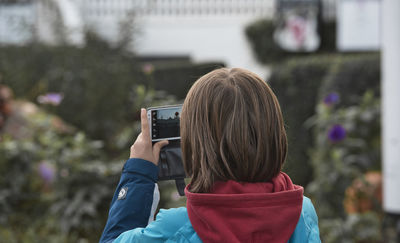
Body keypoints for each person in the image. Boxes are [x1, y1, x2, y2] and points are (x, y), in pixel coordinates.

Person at [100, 68, 320, 243]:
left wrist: (139, 173)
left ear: (195, 145)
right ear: (274, 133)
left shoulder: (174, 228)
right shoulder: (302, 213)